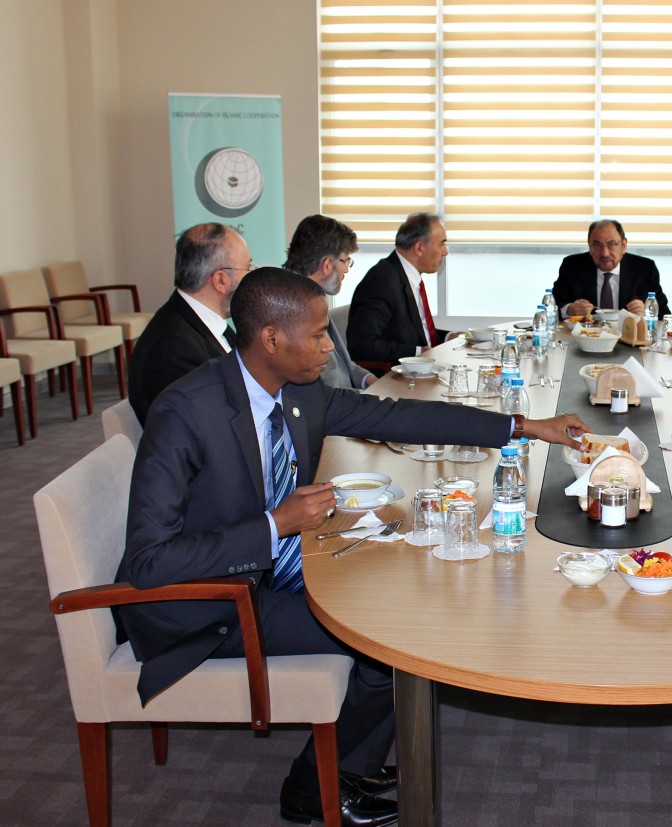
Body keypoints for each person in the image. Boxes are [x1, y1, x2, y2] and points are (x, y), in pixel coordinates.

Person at [117, 268, 590, 826]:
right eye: (319, 334)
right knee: (392, 644)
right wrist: (275, 524)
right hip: (207, 602)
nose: (329, 347)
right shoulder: (186, 412)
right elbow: (148, 562)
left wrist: (523, 426)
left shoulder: (295, 391)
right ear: (271, 339)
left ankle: (350, 765)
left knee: (403, 600)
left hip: (266, 571)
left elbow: (398, 416)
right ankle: (310, 789)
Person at [128, 223, 253, 424]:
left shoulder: (206, 322)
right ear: (220, 280)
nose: (251, 278)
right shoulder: (171, 349)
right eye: (247, 268)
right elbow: (209, 427)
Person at [346, 212, 456, 369]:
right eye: (441, 244)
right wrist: (419, 353)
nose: (445, 251)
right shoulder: (381, 281)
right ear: (419, 248)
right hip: (396, 376)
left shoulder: (405, 275)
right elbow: (362, 345)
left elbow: (415, 332)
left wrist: (449, 337)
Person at [284, 213, 376, 390]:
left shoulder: (315, 298)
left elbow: (346, 365)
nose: (346, 270)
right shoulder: (290, 309)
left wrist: (373, 383)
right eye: (345, 261)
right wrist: (370, 398)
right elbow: (320, 391)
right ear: (327, 265)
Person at [553, 219, 670, 319]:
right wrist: (569, 310)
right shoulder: (572, 266)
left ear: (624, 245)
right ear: (589, 246)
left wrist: (646, 312)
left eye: (612, 244)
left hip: (629, 337)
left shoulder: (644, 269)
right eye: (597, 245)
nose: (605, 253)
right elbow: (552, 306)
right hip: (584, 336)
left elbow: (665, 315)